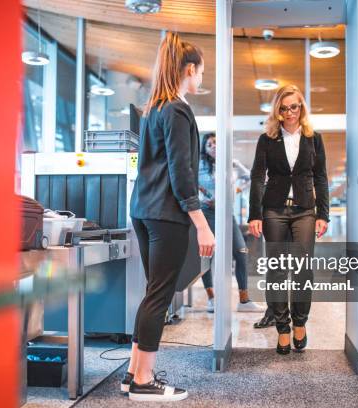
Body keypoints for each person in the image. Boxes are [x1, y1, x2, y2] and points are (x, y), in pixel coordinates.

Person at [125, 32, 215, 401]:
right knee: (159, 295)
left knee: (153, 293)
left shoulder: (153, 110)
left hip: (143, 211)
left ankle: (133, 373)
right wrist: (202, 223)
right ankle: (144, 382)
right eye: (200, 74)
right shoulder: (177, 110)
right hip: (166, 214)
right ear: (188, 69)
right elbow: (181, 173)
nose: (200, 81)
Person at [248, 84, 330, 354]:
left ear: (301, 107)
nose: (289, 112)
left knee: (303, 270)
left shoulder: (313, 138)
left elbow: (320, 177)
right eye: (283, 108)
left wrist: (323, 214)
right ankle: (282, 328)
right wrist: (255, 214)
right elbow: (258, 177)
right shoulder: (267, 139)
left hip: (305, 210)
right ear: (278, 112)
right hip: (274, 210)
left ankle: (300, 323)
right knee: (277, 270)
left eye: (294, 106)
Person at [198, 133, 265, 313]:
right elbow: (189, 183)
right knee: (207, 255)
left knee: (241, 251)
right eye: (209, 144)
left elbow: (249, 177)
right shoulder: (198, 165)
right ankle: (212, 298)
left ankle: (244, 300)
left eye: (216, 143)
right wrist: (203, 194)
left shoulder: (232, 163)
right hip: (207, 213)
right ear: (204, 147)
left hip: (227, 213)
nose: (213, 146)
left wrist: (236, 189)